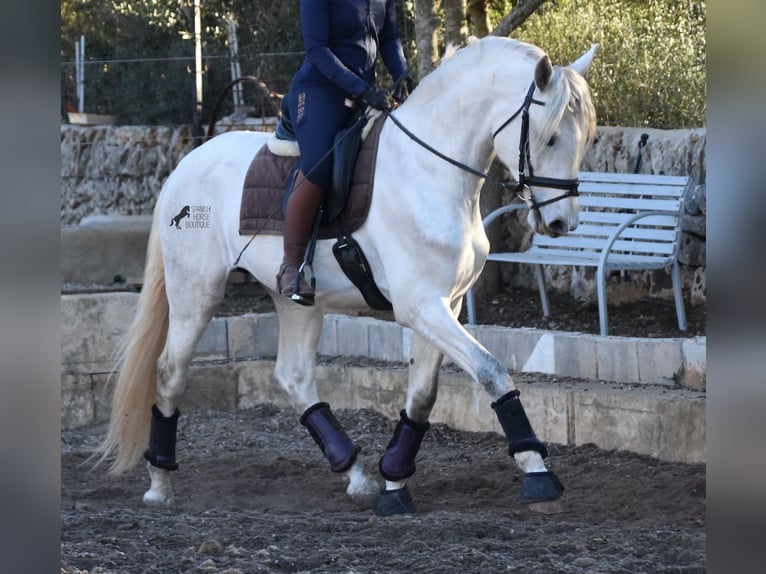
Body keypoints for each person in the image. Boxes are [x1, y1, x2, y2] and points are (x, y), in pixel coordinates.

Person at [277, 0, 414, 306]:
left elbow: (389, 37)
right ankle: (291, 265)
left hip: (367, 91)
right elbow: (317, 49)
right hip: (319, 91)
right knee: (320, 164)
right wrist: (360, 88)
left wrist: (402, 76)